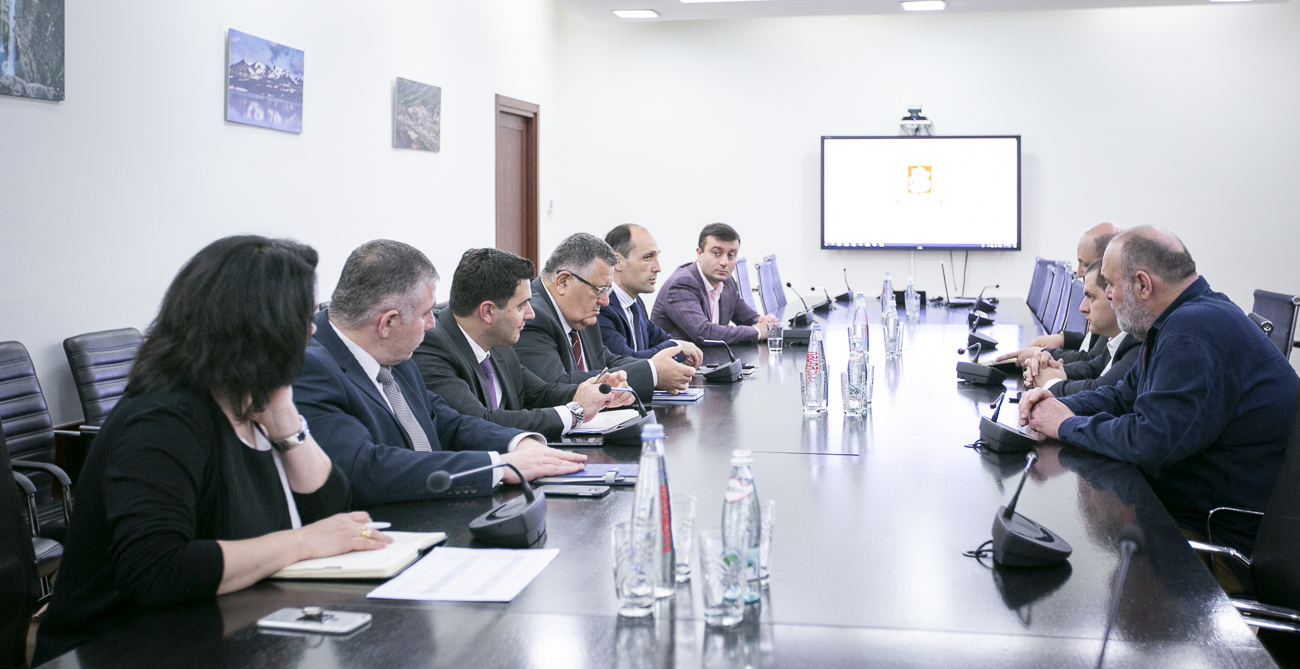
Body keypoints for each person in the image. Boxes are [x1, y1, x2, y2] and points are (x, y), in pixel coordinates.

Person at [34, 236, 393, 663]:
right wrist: (302, 543)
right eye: (302, 316)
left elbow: (329, 511)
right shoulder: (163, 419)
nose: (312, 329)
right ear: (261, 326)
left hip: (222, 628)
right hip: (120, 648)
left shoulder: (250, 399)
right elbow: (158, 570)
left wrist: (286, 420)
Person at [1020, 226, 1299, 588]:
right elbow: (1122, 396)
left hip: (1223, 544)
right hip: (1192, 513)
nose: (1108, 294)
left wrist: (1064, 424)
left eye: (1110, 284)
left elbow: (1148, 441)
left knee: (1080, 573)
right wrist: (1055, 403)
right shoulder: (1180, 320)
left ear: (1142, 285)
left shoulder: (1193, 331)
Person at [294, 240, 585, 508]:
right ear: (387, 323)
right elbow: (366, 468)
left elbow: (447, 423)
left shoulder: (394, 353)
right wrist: (497, 466)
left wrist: (518, 443)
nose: (433, 324)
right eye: (425, 314)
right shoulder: (310, 369)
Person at [413, 248, 635, 441]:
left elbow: (540, 394)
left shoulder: (498, 340)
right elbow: (479, 422)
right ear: (488, 312)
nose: (530, 314)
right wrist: (574, 413)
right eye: (522, 306)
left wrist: (596, 392)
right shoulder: (432, 345)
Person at [515, 233, 695, 397]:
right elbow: (556, 385)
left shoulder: (581, 314)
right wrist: (652, 374)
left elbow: (608, 361)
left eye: (607, 291)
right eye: (599, 290)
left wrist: (655, 368)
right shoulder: (532, 316)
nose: (605, 301)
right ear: (563, 282)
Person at [997, 222, 1121, 366]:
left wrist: (1044, 355)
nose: (1079, 273)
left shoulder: (1117, 309)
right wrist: (1063, 339)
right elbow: (1094, 345)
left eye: (1086, 265)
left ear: (1107, 263)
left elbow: (1093, 361)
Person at [1021, 260, 1141, 397]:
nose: (1082, 308)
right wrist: (1051, 371)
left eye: (1091, 297)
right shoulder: (1119, 339)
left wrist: (1050, 383)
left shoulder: (1138, 341)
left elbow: (1100, 392)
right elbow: (1094, 367)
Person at [650, 222, 779, 344]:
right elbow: (703, 333)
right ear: (700, 254)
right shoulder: (681, 284)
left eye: (731, 255)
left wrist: (766, 322)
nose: (724, 262)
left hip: (711, 357)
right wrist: (757, 332)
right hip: (677, 359)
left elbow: (748, 318)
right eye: (716, 253)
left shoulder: (727, 282)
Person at [598, 224, 704, 364]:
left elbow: (660, 338)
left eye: (656, 257)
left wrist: (682, 349)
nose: (658, 268)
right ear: (617, 261)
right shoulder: (601, 306)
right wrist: (677, 348)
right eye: (647, 257)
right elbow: (627, 361)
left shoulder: (635, 302)